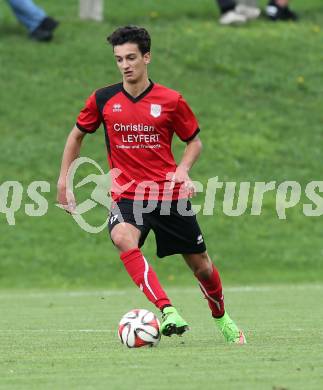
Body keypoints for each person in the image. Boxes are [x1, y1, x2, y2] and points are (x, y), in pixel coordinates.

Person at [57, 25, 246, 344]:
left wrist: (183, 170)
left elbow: (194, 142)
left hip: (169, 194)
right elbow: (77, 135)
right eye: (119, 59)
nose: (125, 65)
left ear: (147, 57)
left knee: (202, 267)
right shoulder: (103, 99)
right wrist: (65, 179)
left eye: (131, 57)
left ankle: (222, 318)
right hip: (128, 195)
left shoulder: (171, 100)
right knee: (121, 236)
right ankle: (167, 311)